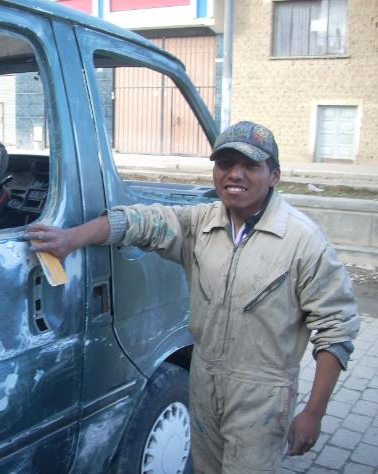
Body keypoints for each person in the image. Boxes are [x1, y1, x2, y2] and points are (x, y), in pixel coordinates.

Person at [24, 121, 359, 473]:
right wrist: (71, 239)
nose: (235, 174)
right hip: (203, 382)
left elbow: (336, 331)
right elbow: (141, 222)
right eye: (225, 163)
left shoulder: (303, 241)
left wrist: (314, 413)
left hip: (262, 396)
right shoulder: (200, 223)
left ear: (274, 175)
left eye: (250, 165)